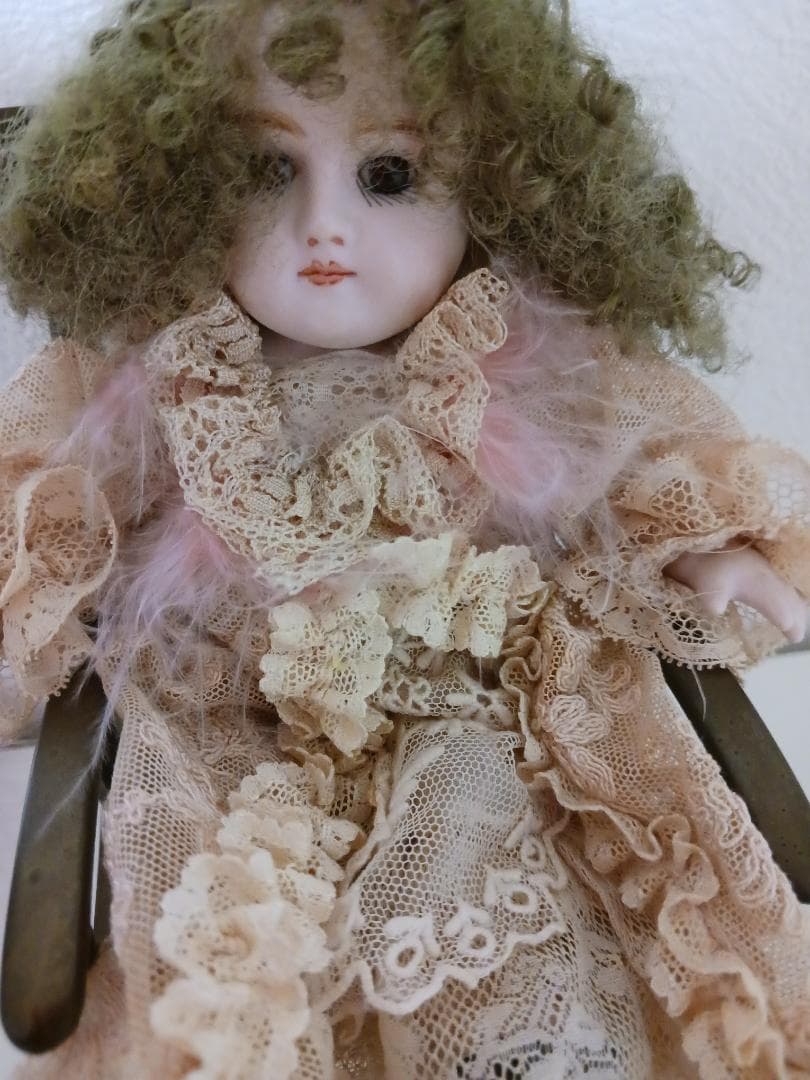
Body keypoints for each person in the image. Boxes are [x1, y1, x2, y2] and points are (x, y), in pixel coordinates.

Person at [1, 1, 808, 1076]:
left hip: (477, 724)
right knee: (240, 964)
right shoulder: (171, 384)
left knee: (497, 907)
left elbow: (614, 473)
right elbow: (44, 519)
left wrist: (703, 550)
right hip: (236, 736)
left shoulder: (507, 370)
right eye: (267, 170)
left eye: (388, 175)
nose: (324, 227)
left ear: (502, 188)